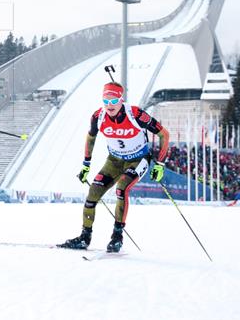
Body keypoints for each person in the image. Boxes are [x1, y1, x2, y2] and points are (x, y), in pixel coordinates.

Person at [59, 81, 169, 253]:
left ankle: (117, 237)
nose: (109, 105)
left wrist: (160, 164)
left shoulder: (135, 114)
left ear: (121, 100)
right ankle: (84, 237)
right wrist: (86, 164)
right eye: (106, 100)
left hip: (138, 159)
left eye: (113, 100)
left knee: (122, 189)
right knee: (93, 193)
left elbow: (164, 134)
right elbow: (90, 138)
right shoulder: (98, 117)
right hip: (114, 161)